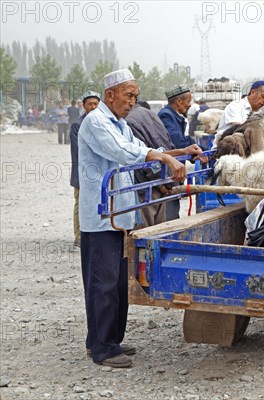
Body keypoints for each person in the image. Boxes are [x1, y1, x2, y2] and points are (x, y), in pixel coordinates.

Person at [78, 69, 203, 368]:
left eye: (135, 96)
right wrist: (163, 158)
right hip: (102, 217)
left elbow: (141, 149)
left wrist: (178, 151)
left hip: (120, 215)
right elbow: (123, 152)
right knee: (103, 283)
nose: (133, 102)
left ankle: (107, 340)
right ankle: (102, 348)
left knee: (119, 282)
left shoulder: (119, 123)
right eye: (129, 95)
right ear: (110, 95)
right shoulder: (96, 121)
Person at [126, 101, 177, 227]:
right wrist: (165, 181)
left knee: (145, 234)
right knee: (158, 231)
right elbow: (167, 145)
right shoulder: (151, 114)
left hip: (147, 185)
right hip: (162, 179)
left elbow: (144, 155)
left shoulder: (128, 121)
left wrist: (160, 183)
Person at [158, 85, 196, 220]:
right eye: (188, 101)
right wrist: (195, 149)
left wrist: (197, 147)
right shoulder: (166, 115)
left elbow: (184, 139)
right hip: (168, 170)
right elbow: (177, 141)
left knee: (174, 207)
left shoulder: (175, 117)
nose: (189, 105)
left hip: (175, 170)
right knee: (170, 212)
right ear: (179, 101)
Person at [69, 91, 101, 248]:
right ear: (84, 106)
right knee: (80, 203)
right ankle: (79, 236)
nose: (93, 107)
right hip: (82, 173)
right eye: (90, 104)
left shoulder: (103, 123)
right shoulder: (77, 125)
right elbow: (79, 152)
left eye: (96, 104)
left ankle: (94, 235)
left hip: (99, 172)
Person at [213, 80, 264, 146]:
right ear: (253, 92)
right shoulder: (236, 106)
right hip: (226, 149)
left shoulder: (260, 113)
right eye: (263, 96)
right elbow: (237, 128)